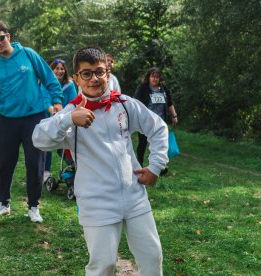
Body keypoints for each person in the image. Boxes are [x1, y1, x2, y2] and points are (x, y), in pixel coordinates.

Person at [32, 46, 167, 275]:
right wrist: (67, 120)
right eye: (86, 73)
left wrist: (155, 166)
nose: (94, 79)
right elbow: (39, 139)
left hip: (134, 195)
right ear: (76, 78)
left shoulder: (124, 103)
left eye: (99, 72)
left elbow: (158, 128)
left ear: (108, 73)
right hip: (96, 201)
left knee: (152, 256)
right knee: (103, 265)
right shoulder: (71, 112)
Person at [0, 20, 63, 222]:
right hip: (6, 119)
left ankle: (33, 207)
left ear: (8, 36)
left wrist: (57, 100)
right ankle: (3, 203)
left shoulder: (28, 54)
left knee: (35, 163)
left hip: (34, 117)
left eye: (1, 37)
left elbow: (49, 78)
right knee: (5, 163)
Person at [134, 67, 178, 169]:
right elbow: (135, 103)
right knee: (142, 144)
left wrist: (174, 116)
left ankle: (159, 166)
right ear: (149, 77)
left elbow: (169, 103)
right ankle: (138, 165)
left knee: (159, 145)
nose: (155, 79)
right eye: (153, 76)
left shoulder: (163, 88)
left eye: (157, 77)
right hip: (145, 122)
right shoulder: (143, 88)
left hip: (160, 122)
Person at [41, 59, 78, 182]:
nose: (59, 71)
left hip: (65, 118)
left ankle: (75, 166)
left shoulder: (70, 84)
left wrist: (66, 115)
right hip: (48, 117)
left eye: (62, 68)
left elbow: (73, 101)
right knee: (47, 146)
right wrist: (52, 110)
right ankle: (45, 172)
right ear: (52, 70)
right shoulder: (46, 83)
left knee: (65, 146)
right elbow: (45, 99)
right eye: (57, 68)